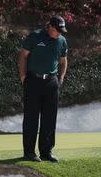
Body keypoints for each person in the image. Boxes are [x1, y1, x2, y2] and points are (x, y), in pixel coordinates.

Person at [18, 16, 68, 162]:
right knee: (31, 118)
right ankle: (29, 153)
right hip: (33, 80)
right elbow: (23, 56)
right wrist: (23, 76)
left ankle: (46, 152)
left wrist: (61, 78)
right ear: (50, 27)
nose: (60, 33)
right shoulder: (35, 36)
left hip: (51, 82)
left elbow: (63, 61)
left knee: (49, 118)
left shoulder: (62, 41)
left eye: (61, 31)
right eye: (58, 30)